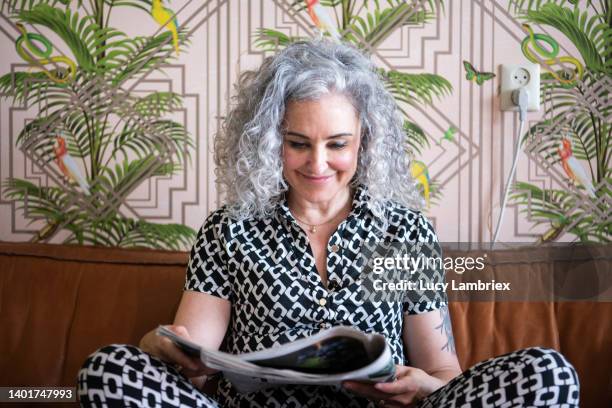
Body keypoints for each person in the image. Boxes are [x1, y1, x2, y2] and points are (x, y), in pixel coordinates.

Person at [77, 39, 580, 407]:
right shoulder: (230, 229)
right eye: (298, 143)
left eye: (336, 144)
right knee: (108, 370)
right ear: (271, 141)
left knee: (547, 374)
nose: (318, 164)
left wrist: (424, 389)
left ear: (365, 140)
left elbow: (443, 370)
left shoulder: (402, 232)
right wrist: (159, 346)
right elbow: (194, 360)